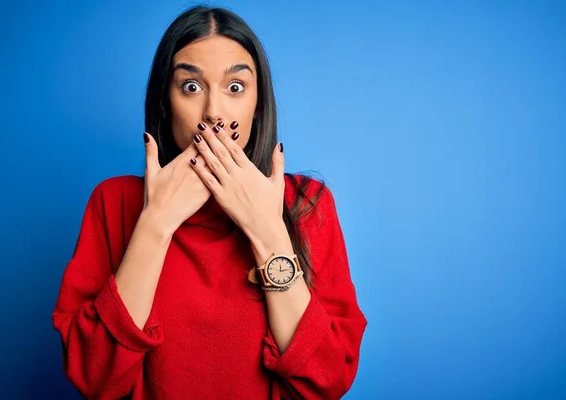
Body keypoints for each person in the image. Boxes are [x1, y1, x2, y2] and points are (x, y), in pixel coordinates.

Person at [52, 5, 367, 400]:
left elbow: (329, 379)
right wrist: (156, 222)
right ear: (164, 103)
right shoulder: (114, 202)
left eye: (235, 87)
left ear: (258, 104)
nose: (214, 113)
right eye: (191, 87)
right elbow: (93, 376)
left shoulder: (306, 204)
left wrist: (267, 231)